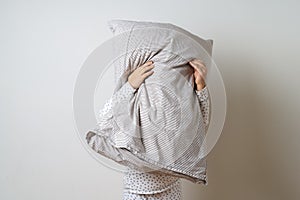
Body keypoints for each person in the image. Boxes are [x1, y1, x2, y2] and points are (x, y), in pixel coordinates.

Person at [87, 59, 210, 200]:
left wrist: (201, 86)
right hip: (136, 192)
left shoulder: (176, 116)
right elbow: (105, 119)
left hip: (171, 191)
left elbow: (199, 129)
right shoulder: (133, 114)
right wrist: (130, 85)